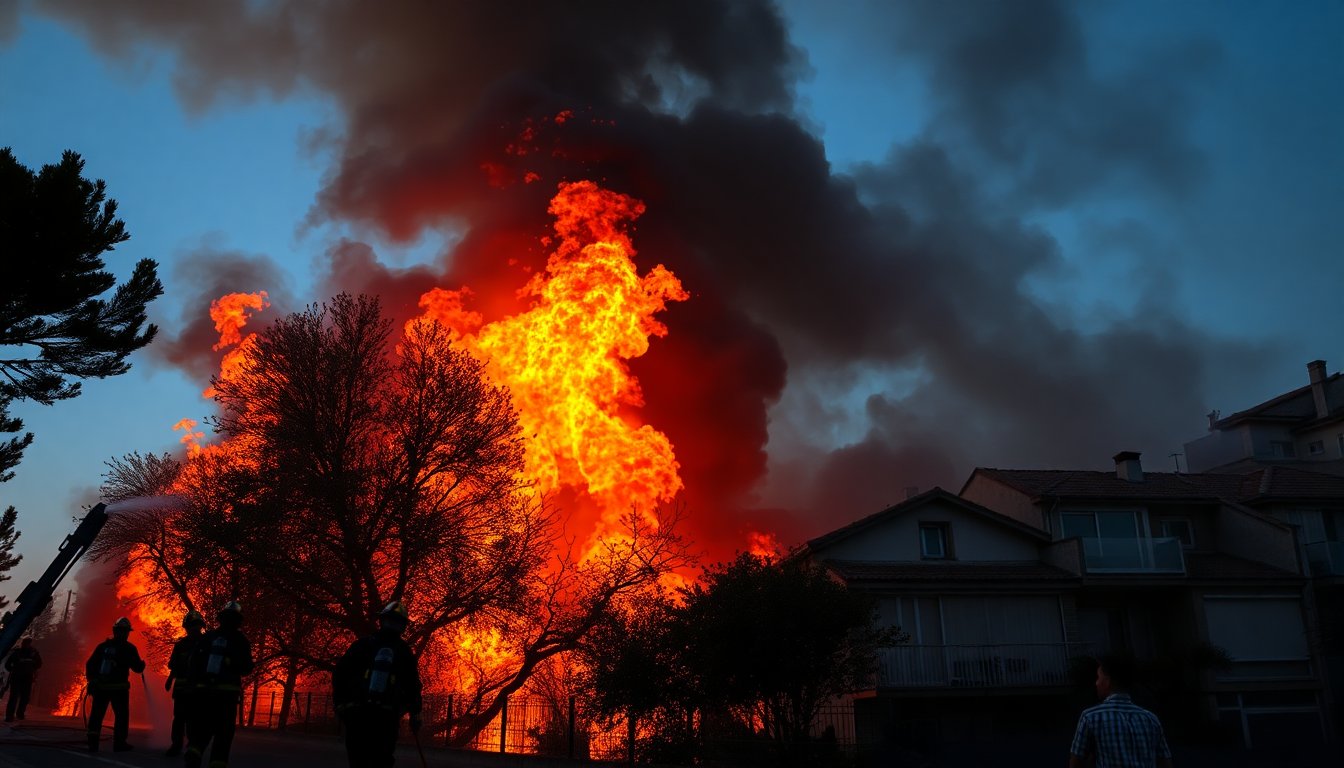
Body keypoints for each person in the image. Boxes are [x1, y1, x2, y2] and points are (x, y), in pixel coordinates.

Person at [333, 601, 424, 768]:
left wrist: (341, 705)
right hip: (386, 719)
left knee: (358, 761)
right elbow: (412, 686)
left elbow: (341, 673)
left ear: (381, 620)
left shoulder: (363, 644)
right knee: (382, 761)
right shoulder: (403, 651)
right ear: (403, 626)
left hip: (358, 715)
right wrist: (415, 715)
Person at [1069, 654, 1173, 768]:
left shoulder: (1090, 717)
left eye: (1098, 677)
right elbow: (1165, 762)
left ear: (1107, 681)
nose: (1096, 683)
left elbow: (1076, 762)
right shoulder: (1151, 718)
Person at [183, 601, 254, 768]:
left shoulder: (207, 638)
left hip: (204, 695)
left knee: (202, 730)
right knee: (223, 734)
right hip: (227, 697)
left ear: (221, 618)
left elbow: (193, 664)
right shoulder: (241, 641)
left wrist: (193, 688)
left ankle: (193, 754)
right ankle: (217, 763)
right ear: (238, 620)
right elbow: (246, 668)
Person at [85, 617, 146, 752]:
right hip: (119, 690)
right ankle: (119, 743)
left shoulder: (103, 647)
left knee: (97, 715)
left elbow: (90, 664)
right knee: (121, 716)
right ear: (127, 632)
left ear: (115, 630)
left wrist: (92, 680)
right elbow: (137, 668)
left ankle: (92, 743)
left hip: (101, 688)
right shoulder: (129, 648)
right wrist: (142, 665)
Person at [164, 609, 206, 756]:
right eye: (190, 625)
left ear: (201, 626)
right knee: (179, 719)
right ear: (186, 627)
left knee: (194, 719)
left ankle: (192, 746)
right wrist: (170, 679)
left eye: (196, 625)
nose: (193, 628)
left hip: (197, 691)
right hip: (181, 690)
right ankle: (176, 745)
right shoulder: (180, 645)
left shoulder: (206, 644)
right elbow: (174, 665)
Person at [4, 637, 43, 721]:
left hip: (25, 677)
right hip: (19, 677)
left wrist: (14, 670)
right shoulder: (18, 653)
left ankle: (17, 715)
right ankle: (12, 715)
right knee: (16, 696)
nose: (26, 645)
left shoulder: (33, 653)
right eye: (25, 643)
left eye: (28, 643)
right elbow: (7, 665)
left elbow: (39, 664)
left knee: (23, 697)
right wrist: (14, 670)